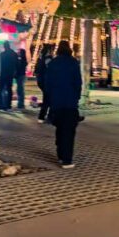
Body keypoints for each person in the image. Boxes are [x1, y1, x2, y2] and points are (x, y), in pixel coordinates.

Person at [45, 40, 83, 169]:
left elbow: (47, 84)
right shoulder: (73, 63)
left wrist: (49, 99)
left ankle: (61, 154)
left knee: (60, 128)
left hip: (57, 102)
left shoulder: (53, 63)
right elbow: (78, 82)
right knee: (69, 131)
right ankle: (67, 159)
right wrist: (76, 97)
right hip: (70, 102)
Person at [34, 43, 54, 123]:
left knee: (47, 98)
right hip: (47, 81)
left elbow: (36, 70)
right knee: (48, 99)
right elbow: (51, 68)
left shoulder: (39, 58)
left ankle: (43, 116)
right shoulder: (47, 58)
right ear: (49, 50)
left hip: (40, 80)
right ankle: (45, 116)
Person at [0, 41, 19, 111]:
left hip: (2, 73)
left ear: (4, 46)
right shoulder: (14, 54)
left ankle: (0, 105)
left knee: (0, 89)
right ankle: (8, 106)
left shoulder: (1, 55)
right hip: (10, 74)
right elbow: (17, 64)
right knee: (9, 89)